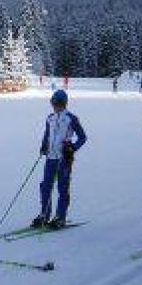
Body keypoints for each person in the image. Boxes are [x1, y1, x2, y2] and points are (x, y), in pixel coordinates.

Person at [33, 90, 87, 229]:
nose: (55, 106)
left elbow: (83, 137)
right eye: (53, 103)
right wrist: (44, 146)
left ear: (64, 103)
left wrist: (72, 148)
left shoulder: (71, 118)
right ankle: (45, 214)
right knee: (45, 186)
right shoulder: (50, 118)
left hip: (64, 158)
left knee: (62, 187)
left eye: (58, 103)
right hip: (51, 157)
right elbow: (47, 134)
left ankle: (60, 217)